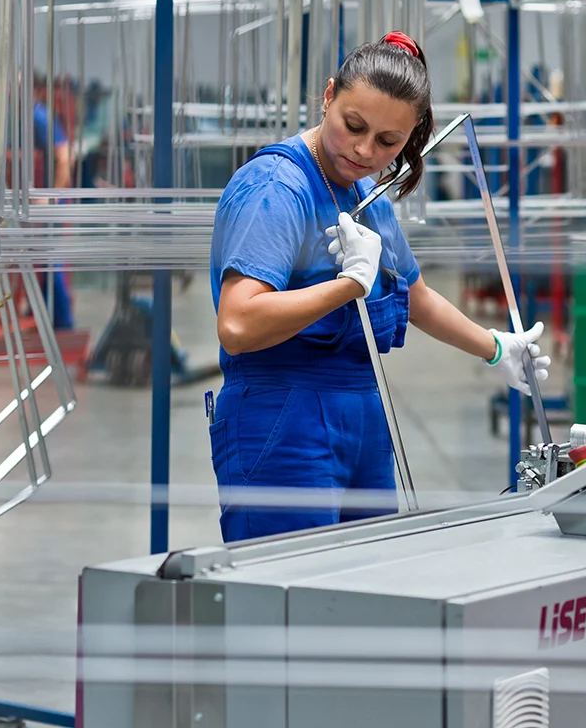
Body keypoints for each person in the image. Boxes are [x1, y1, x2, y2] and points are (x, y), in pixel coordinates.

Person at [208, 31, 551, 543]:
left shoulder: (368, 194)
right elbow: (238, 323)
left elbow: (414, 296)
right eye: (353, 126)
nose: (365, 150)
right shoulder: (278, 189)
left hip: (362, 414)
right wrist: (347, 286)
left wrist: (497, 347)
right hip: (282, 418)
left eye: (389, 142)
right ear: (328, 97)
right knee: (291, 604)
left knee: (365, 596)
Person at [31, 74, 75, 331]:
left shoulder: (39, 116)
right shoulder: (29, 117)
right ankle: (48, 316)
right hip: (45, 200)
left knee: (51, 260)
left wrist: (53, 196)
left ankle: (64, 322)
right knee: (43, 259)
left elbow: (64, 155)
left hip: (52, 201)